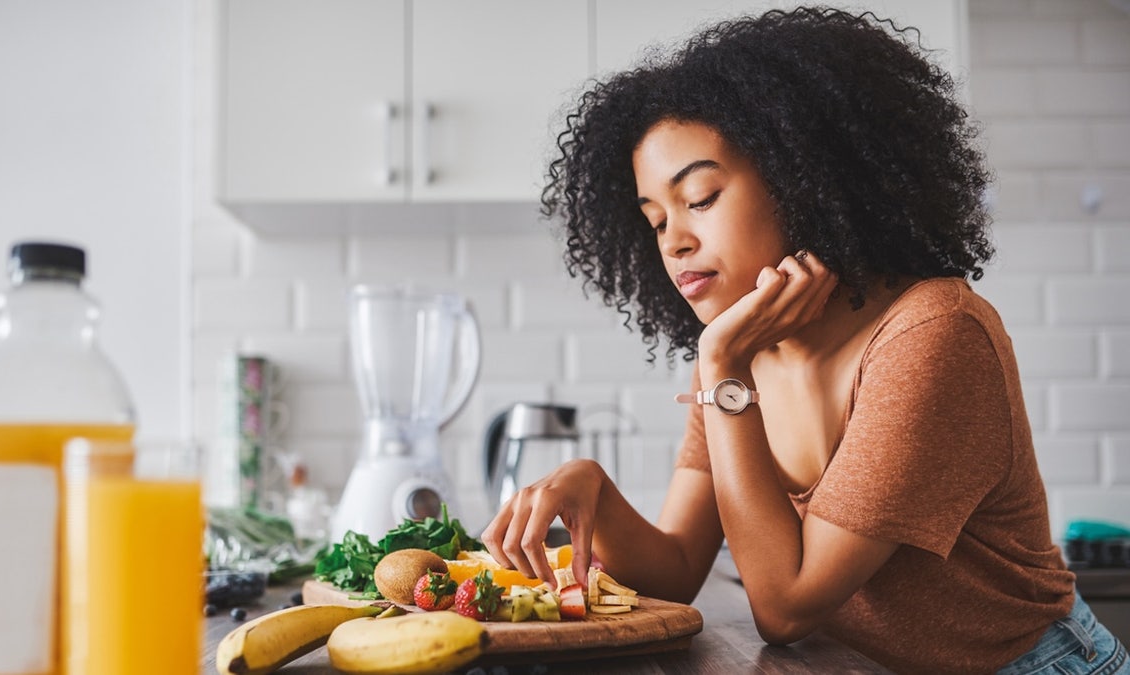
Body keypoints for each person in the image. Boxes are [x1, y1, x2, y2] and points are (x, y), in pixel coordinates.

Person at [479, 7, 1128, 674]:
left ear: (801, 177)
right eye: (655, 218)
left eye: (700, 197)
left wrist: (722, 368)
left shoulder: (932, 333)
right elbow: (675, 570)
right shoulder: (748, 345)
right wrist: (593, 487)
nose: (674, 241)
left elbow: (785, 608)